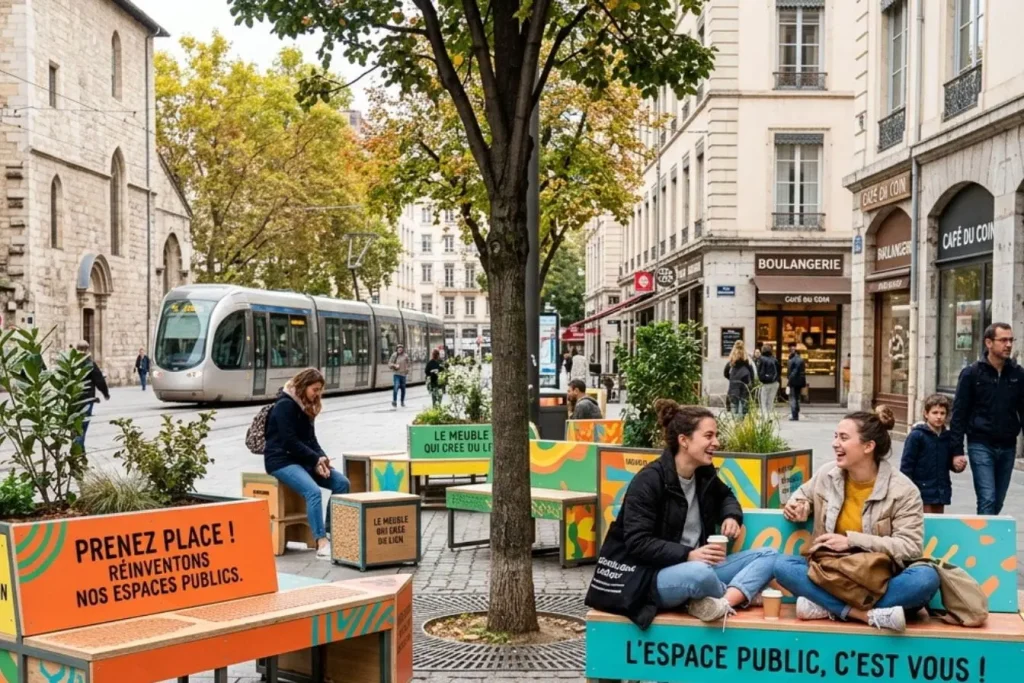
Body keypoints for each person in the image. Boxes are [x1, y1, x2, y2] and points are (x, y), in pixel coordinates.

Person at [585, 399, 776, 628]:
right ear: (684, 440)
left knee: (769, 555)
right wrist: (688, 554)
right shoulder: (649, 480)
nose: (716, 442)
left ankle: (719, 602)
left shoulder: (703, 472)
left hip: (701, 564)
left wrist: (731, 516)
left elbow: (726, 496)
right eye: (708, 436)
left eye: (716, 435)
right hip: (651, 576)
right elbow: (638, 542)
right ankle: (740, 596)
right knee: (700, 575)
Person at [774, 407, 940, 633]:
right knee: (782, 566)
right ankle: (865, 615)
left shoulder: (903, 490)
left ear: (868, 446)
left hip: (878, 579)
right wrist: (800, 506)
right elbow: (802, 495)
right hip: (830, 571)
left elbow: (910, 547)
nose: (835, 444)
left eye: (843, 438)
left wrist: (852, 541)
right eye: (835, 436)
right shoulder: (827, 474)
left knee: (925, 579)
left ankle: (829, 607)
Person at [264, 368, 350, 559]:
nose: (317, 394)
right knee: (313, 492)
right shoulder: (285, 405)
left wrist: (322, 459)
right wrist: (314, 459)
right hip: (281, 460)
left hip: (302, 459)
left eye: (320, 390)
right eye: (314, 389)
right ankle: (321, 541)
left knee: (341, 483)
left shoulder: (306, 405)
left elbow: (311, 439)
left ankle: (331, 532)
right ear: (304, 386)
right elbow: (289, 441)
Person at [949, 322, 1024, 515]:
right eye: (1003, 340)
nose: (1008, 344)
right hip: (980, 444)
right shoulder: (972, 373)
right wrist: (957, 451)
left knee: (997, 501)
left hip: (1008, 446)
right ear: (989, 343)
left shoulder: (1017, 373)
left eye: (1011, 340)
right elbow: (959, 414)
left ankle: (985, 531)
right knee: (987, 498)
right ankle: (984, 534)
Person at [900, 394, 967, 514]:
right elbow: (907, 465)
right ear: (926, 414)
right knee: (924, 522)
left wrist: (957, 466)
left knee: (937, 522)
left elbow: (948, 463)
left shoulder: (947, 437)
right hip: (920, 491)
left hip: (940, 491)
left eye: (942, 413)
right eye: (935, 413)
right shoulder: (917, 436)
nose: (939, 417)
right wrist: (907, 490)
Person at [73, 340, 109, 451]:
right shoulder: (89, 363)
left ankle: (78, 450)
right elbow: (99, 380)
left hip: (73, 399)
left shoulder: (71, 363)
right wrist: (105, 393)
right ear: (87, 349)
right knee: (82, 426)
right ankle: (78, 452)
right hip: (86, 398)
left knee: (75, 425)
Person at [723, 340, 754, 417]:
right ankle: (742, 421)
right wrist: (751, 383)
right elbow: (752, 374)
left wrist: (731, 378)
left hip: (734, 385)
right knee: (744, 405)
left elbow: (725, 373)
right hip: (745, 384)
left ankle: (736, 421)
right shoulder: (747, 361)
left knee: (734, 405)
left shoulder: (731, 361)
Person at [756, 345, 780, 416]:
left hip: (765, 383)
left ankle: (765, 417)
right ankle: (769, 416)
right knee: (770, 401)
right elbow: (779, 371)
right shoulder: (774, 359)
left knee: (763, 402)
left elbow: (759, 371)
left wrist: (761, 379)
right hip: (775, 383)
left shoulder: (761, 359)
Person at [786, 343, 806, 421]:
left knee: (793, 398)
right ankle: (796, 412)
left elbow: (793, 372)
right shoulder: (801, 359)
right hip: (800, 381)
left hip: (793, 381)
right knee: (797, 397)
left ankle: (794, 415)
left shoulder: (792, 360)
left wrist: (789, 381)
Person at [389, 344, 411, 408]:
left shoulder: (406, 356)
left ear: (403, 349)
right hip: (396, 374)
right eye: (399, 349)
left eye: (401, 349)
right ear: (397, 349)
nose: (400, 350)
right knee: (396, 387)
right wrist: (394, 365)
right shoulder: (394, 355)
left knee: (403, 389)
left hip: (403, 375)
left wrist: (407, 369)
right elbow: (389, 364)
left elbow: (409, 364)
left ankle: (402, 402)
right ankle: (394, 401)